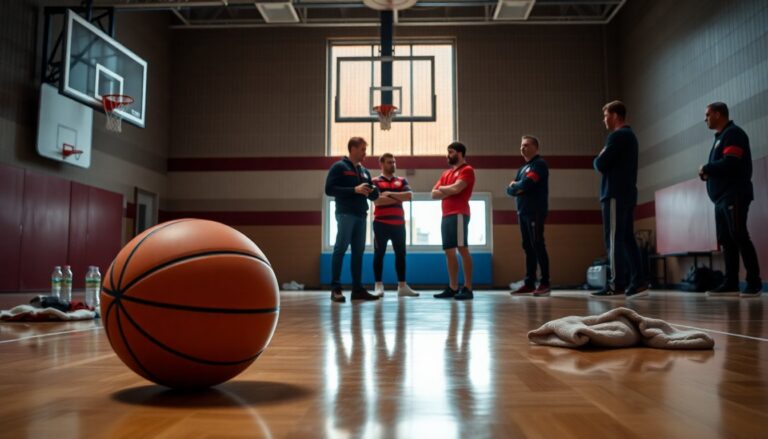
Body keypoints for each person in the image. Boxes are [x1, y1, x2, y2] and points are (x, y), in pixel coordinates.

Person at [699, 102, 762, 297]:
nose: (705, 119)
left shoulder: (733, 134)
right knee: (726, 240)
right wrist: (708, 173)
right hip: (721, 198)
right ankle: (731, 283)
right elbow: (722, 165)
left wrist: (707, 168)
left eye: (708, 115)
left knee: (739, 235)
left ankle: (754, 282)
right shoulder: (720, 137)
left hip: (734, 194)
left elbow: (731, 162)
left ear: (718, 114)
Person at [591, 100, 648, 299]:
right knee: (627, 238)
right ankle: (638, 280)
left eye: (606, 115)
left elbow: (600, 163)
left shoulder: (618, 136)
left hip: (615, 194)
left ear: (615, 116)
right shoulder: (630, 137)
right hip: (627, 193)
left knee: (614, 239)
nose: (604, 120)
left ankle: (616, 284)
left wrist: (598, 158)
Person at [324, 137, 380, 303]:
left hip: (361, 215)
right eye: (363, 149)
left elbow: (373, 195)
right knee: (340, 249)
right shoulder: (339, 167)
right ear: (353, 149)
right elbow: (329, 189)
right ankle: (336, 289)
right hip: (345, 214)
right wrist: (354, 190)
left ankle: (357, 289)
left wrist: (373, 191)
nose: (365, 153)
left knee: (358, 252)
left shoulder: (365, 171)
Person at [431, 142, 476, 301]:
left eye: (450, 152)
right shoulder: (446, 173)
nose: (447, 155)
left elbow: (456, 189)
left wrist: (444, 189)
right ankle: (453, 287)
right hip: (446, 215)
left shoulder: (467, 170)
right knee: (449, 251)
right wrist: (448, 189)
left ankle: (468, 288)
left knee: (462, 249)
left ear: (459, 153)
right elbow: (433, 194)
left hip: (459, 214)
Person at [507, 135, 551, 297]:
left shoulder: (539, 164)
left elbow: (527, 184)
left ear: (535, 147)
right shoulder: (523, 169)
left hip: (535, 211)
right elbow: (510, 190)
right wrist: (517, 187)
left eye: (526, 145)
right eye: (521, 145)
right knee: (528, 247)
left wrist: (517, 186)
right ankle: (529, 282)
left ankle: (545, 282)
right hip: (523, 212)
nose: (522, 148)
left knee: (538, 244)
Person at [371, 153, 419, 298]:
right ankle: (378, 286)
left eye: (394, 162)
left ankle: (402, 286)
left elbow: (409, 196)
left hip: (399, 225)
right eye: (389, 162)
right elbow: (377, 201)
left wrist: (389, 194)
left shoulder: (401, 180)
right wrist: (398, 198)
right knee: (379, 255)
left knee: (401, 255)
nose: (393, 165)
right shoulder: (375, 181)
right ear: (382, 164)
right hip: (381, 224)